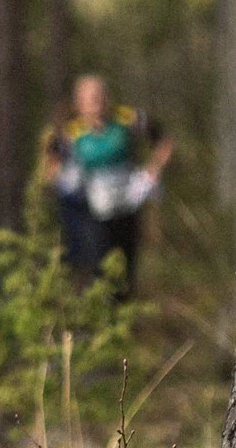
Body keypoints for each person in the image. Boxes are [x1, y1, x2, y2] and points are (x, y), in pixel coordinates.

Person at [42, 74, 174, 293]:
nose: (97, 103)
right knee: (96, 270)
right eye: (91, 98)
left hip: (127, 208)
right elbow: (51, 164)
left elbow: (162, 138)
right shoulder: (72, 132)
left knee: (126, 270)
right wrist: (65, 181)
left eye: (101, 96)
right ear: (79, 103)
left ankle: (123, 318)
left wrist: (154, 169)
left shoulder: (126, 119)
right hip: (92, 215)